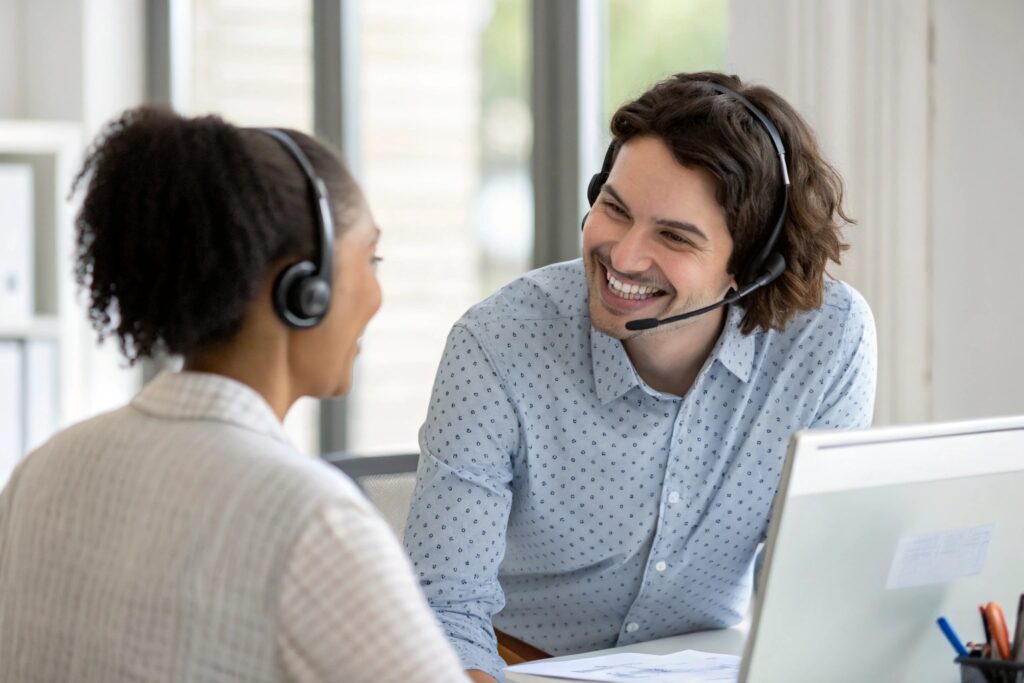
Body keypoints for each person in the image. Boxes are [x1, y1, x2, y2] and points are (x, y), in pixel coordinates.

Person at [403, 72, 877, 682]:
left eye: (674, 236)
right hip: (514, 663)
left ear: (752, 265)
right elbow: (444, 610)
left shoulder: (828, 338)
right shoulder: (497, 342)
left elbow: (813, 584)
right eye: (615, 209)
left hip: (705, 663)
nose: (623, 257)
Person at [0, 107, 467, 682]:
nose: (377, 294)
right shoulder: (312, 520)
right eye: (369, 259)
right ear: (305, 288)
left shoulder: (43, 472)